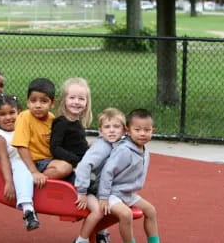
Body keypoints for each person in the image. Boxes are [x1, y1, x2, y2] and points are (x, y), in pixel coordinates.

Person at [98, 109, 160, 243]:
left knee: (151, 211)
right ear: (128, 130)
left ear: (152, 130)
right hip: (112, 193)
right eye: (137, 130)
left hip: (127, 193)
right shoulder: (124, 150)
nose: (142, 133)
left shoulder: (143, 149)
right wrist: (103, 197)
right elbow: (107, 172)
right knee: (126, 215)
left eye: (147, 130)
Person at [73, 108, 126, 243]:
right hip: (88, 188)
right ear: (101, 132)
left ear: (124, 130)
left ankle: (100, 233)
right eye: (107, 127)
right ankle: (82, 240)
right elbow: (84, 166)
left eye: (116, 126)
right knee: (98, 211)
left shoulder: (119, 145)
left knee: (110, 207)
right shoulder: (102, 147)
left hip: (100, 188)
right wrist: (82, 191)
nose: (112, 130)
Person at [11, 78, 73, 189]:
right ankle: (32, 179)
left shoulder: (52, 118)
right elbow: (21, 147)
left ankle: (41, 179)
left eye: (44, 101)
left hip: (48, 161)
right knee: (64, 168)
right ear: (27, 102)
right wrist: (34, 171)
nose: (38, 105)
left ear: (52, 103)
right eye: (33, 100)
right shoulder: (25, 117)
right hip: (33, 162)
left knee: (69, 165)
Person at [0, 94, 40, 231]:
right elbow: (3, 158)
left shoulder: (26, 128)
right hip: (17, 164)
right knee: (21, 167)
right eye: (2, 114)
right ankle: (28, 210)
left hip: (35, 163)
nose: (8, 117)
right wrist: (8, 182)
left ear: (19, 113)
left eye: (12, 113)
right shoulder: (0, 136)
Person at [50, 77, 93, 170]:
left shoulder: (77, 122)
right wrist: (76, 160)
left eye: (81, 99)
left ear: (86, 103)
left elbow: (76, 143)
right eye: (72, 98)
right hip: (70, 165)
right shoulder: (62, 123)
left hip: (82, 161)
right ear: (65, 100)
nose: (76, 102)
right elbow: (55, 148)